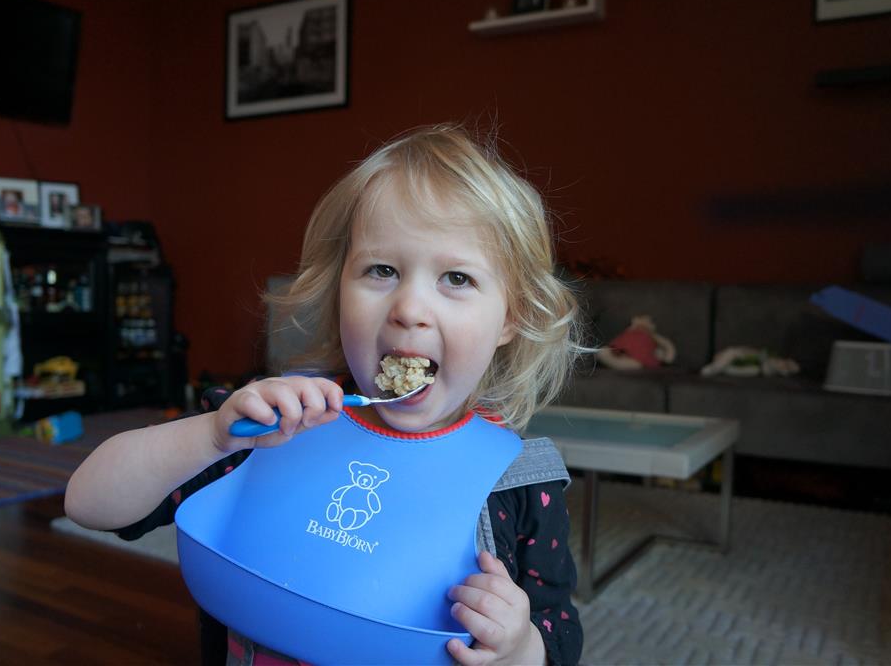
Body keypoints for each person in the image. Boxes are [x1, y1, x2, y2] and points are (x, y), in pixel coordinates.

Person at [65, 124, 587, 666]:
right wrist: (212, 435)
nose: (410, 309)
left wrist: (520, 647)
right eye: (382, 270)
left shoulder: (520, 482)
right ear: (338, 289)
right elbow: (87, 503)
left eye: (456, 278)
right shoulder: (273, 424)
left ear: (511, 317)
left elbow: (559, 634)